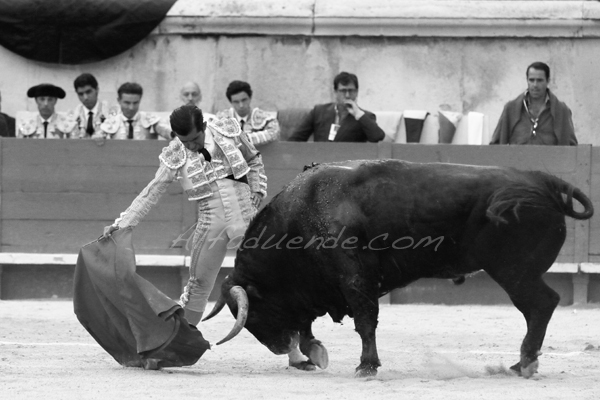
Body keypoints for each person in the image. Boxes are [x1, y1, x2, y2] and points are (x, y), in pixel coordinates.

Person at [101, 104, 267, 326]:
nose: (190, 145)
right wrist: (122, 224)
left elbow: (254, 159)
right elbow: (151, 192)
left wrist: (257, 189)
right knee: (198, 286)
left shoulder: (227, 130)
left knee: (269, 280)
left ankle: (295, 352)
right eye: (184, 140)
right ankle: (183, 345)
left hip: (247, 218)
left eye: (194, 139)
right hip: (211, 225)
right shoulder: (175, 153)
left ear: (204, 126)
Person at [490, 62, 577, 146]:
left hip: (550, 160)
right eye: (531, 80)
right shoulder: (511, 109)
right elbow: (496, 146)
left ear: (548, 81)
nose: (535, 85)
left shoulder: (561, 111)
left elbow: (571, 148)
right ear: (527, 80)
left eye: (539, 80)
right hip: (516, 160)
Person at [288, 72, 385, 142]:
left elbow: (377, 137)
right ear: (335, 92)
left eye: (351, 91)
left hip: (348, 165)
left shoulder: (365, 116)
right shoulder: (319, 112)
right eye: (343, 91)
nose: (347, 95)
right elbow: (295, 139)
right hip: (320, 163)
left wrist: (358, 114)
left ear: (356, 92)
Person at [216, 80, 280, 146]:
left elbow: (274, 133)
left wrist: (244, 139)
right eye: (236, 102)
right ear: (231, 102)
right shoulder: (221, 118)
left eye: (244, 100)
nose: (241, 105)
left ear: (250, 98)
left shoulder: (265, 118)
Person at [99, 82, 171, 140]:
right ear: (119, 100)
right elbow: (96, 140)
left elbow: (168, 133)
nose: (131, 107)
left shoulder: (151, 120)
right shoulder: (110, 122)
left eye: (135, 103)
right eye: (127, 103)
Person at [70, 73, 111, 139]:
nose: (85, 97)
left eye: (88, 92)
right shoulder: (73, 117)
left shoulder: (109, 113)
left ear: (97, 89)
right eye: (81, 94)